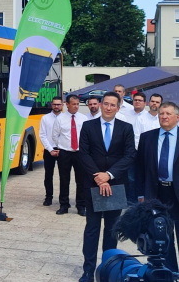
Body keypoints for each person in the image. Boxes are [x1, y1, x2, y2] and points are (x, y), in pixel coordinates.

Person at [78, 91, 135, 282]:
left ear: (118, 108)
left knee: (112, 229)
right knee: (92, 228)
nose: (109, 108)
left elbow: (129, 155)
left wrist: (109, 176)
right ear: (101, 105)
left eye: (113, 105)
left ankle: (108, 268)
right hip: (93, 184)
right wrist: (99, 178)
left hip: (116, 185)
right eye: (106, 104)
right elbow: (84, 154)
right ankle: (88, 270)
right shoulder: (88, 126)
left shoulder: (126, 128)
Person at [135, 101, 179, 272]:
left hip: (176, 193)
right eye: (161, 114)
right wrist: (140, 195)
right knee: (160, 235)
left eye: (168, 114)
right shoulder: (148, 137)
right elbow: (139, 169)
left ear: (177, 117)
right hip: (156, 193)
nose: (164, 117)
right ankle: (169, 272)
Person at [51, 95, 88, 216]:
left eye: (78, 104)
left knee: (81, 181)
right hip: (65, 153)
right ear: (67, 104)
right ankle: (64, 205)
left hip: (80, 153)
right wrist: (61, 146)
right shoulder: (60, 119)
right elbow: (55, 135)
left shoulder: (84, 118)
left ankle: (81, 206)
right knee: (64, 179)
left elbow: (87, 136)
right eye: (74, 104)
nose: (76, 106)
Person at [39, 96, 63, 206]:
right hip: (49, 149)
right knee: (48, 175)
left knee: (64, 176)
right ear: (51, 105)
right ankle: (48, 196)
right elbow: (42, 135)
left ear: (62, 105)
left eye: (58, 104)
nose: (56, 106)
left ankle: (63, 198)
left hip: (63, 150)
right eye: (54, 104)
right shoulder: (45, 118)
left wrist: (60, 148)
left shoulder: (66, 118)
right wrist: (50, 149)